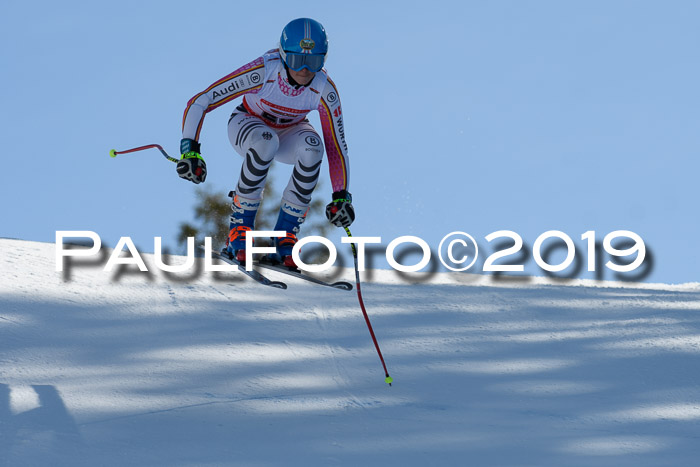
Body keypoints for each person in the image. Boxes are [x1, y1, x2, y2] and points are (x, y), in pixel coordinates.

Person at [176, 18, 355, 269]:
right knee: (265, 141)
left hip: (291, 130)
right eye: (296, 60)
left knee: (314, 147)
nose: (304, 70)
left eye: (313, 62)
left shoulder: (324, 90)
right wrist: (189, 150)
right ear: (283, 56)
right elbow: (201, 101)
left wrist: (341, 197)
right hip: (248, 123)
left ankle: (285, 237)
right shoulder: (264, 71)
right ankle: (239, 231)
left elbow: (336, 145)